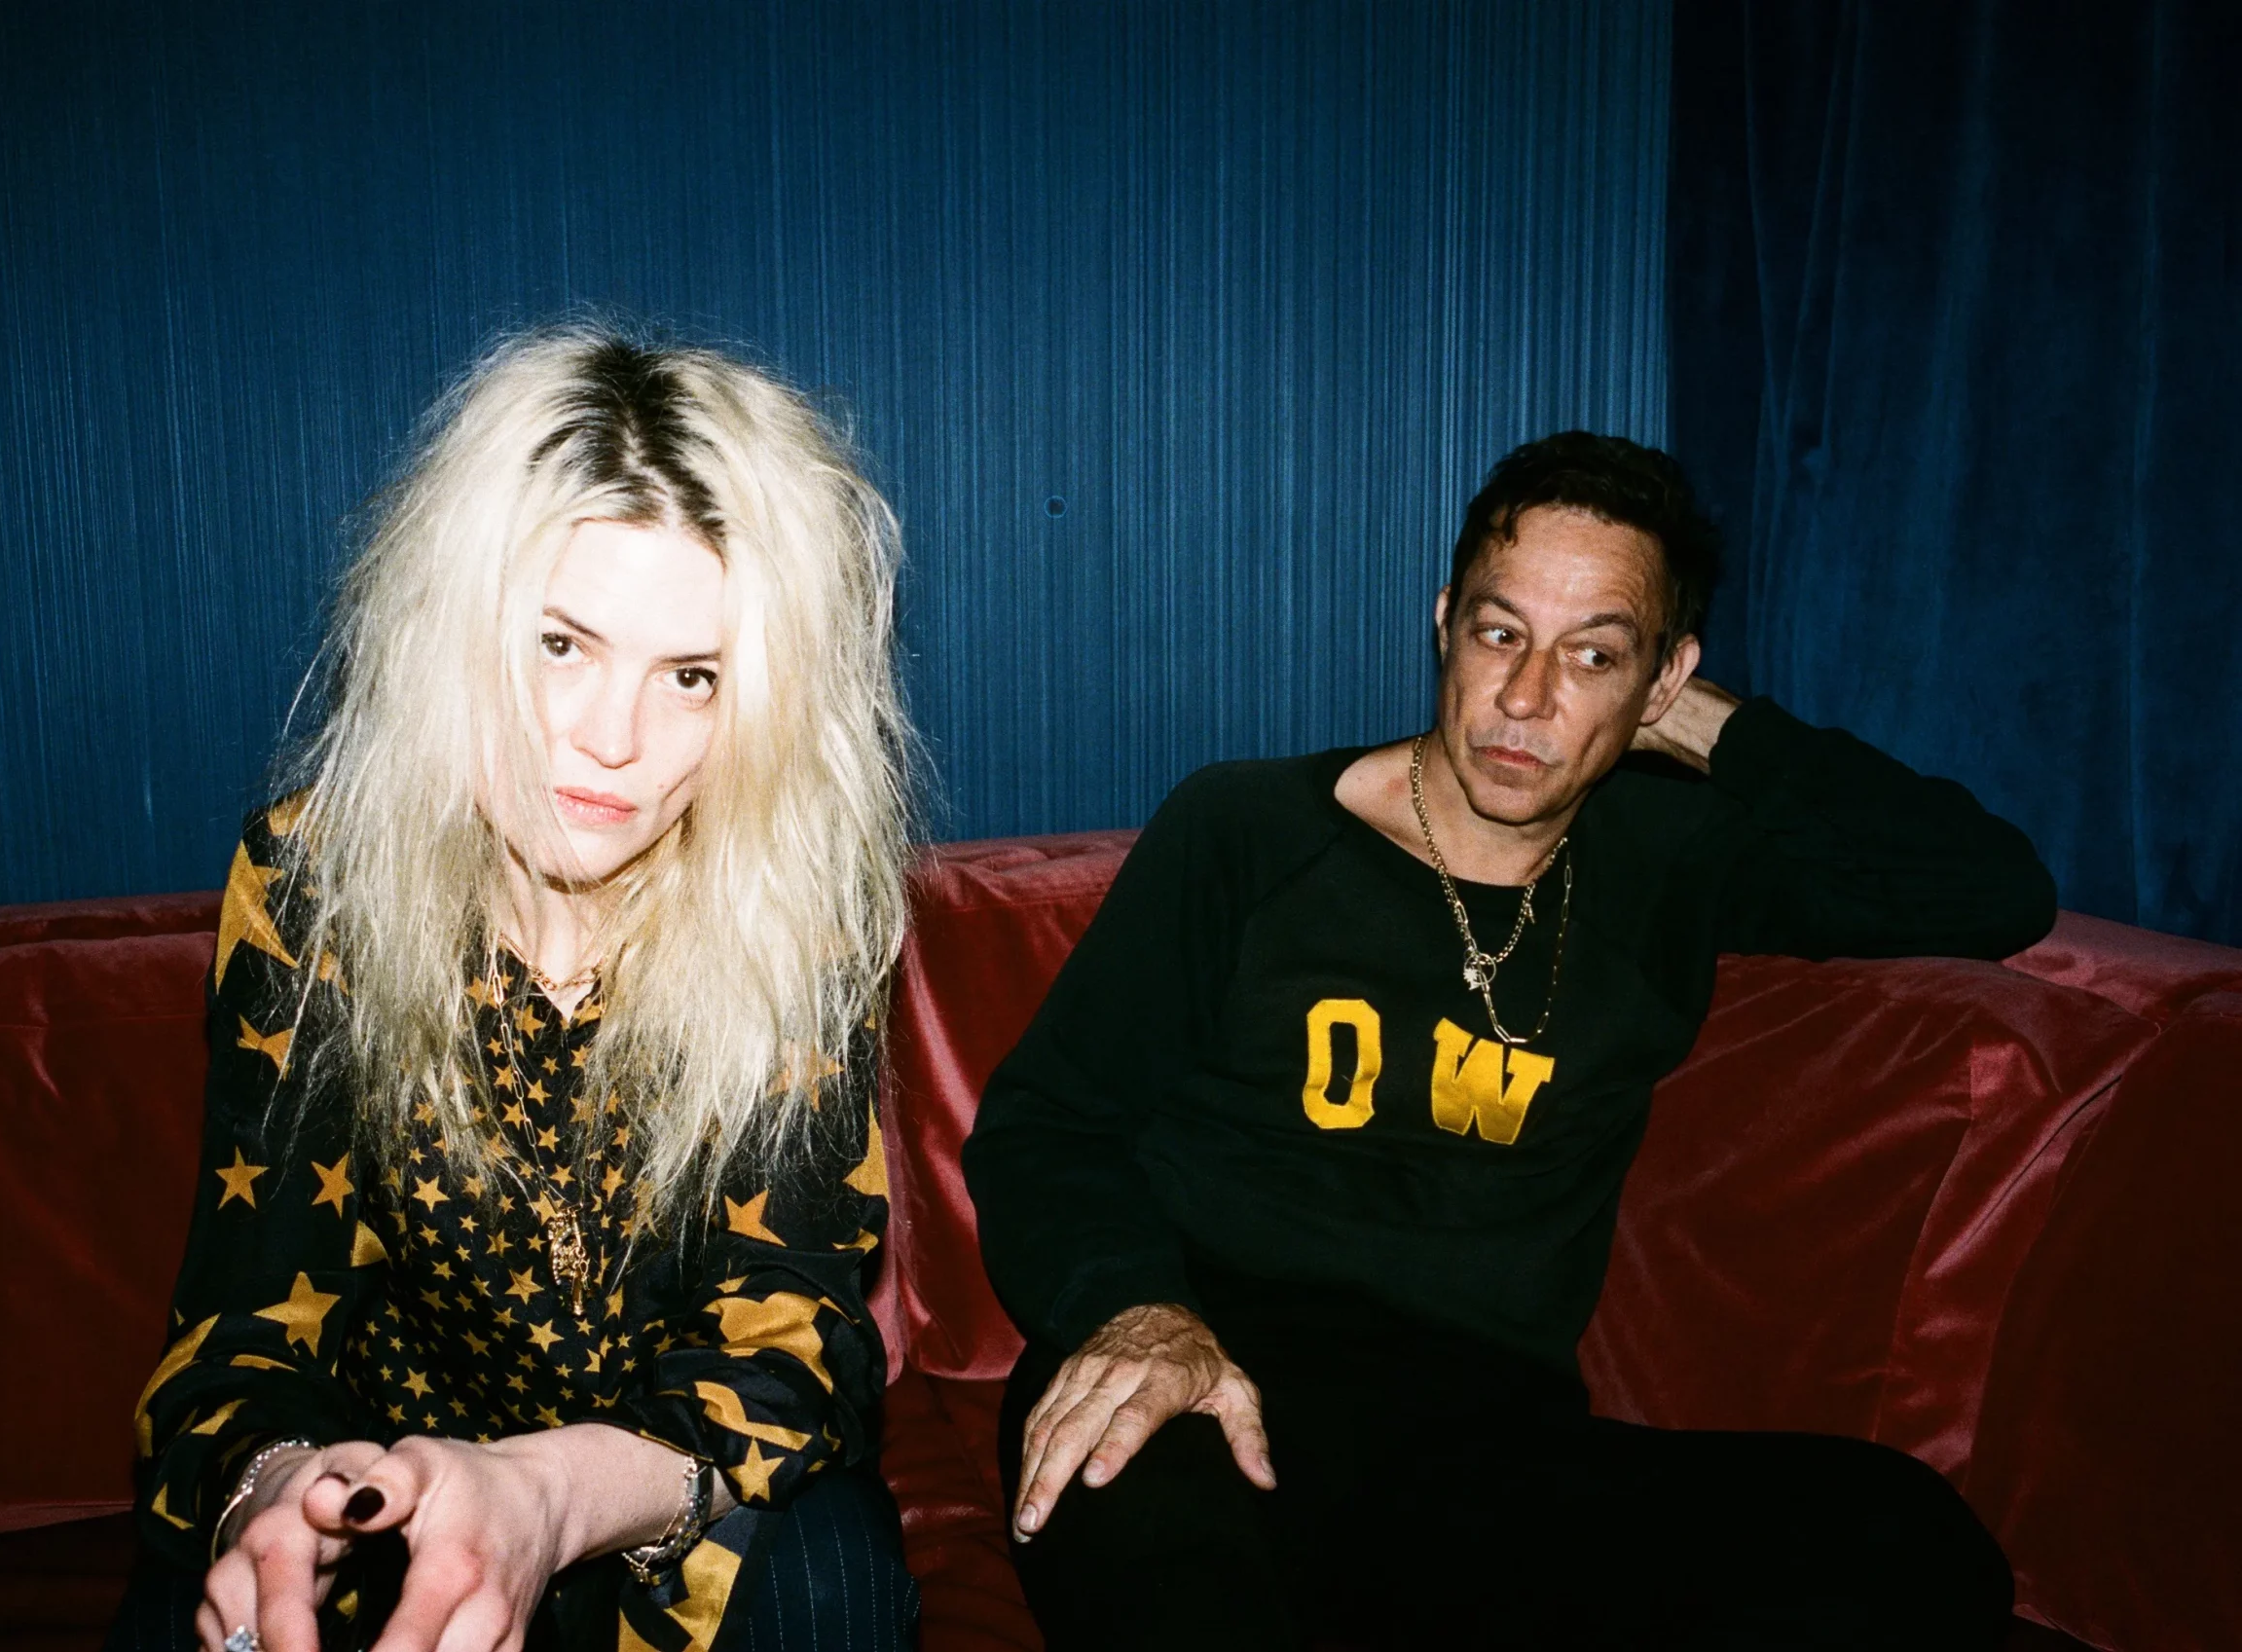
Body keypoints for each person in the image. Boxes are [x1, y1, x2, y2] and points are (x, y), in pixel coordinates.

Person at [962, 431, 2055, 1651]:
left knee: (1901, 1537)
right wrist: (1138, 1313)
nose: (1527, 699)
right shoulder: (1251, 828)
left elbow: (1989, 887)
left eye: (1592, 653)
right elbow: (1046, 1122)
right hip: (1204, 1391)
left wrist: (1698, 723)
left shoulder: (1666, 862)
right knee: (1171, 1559)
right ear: (1444, 623)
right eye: (1499, 633)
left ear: (1663, 681)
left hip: (1483, 1445)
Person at [116, 326, 920, 1652]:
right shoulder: (309, 882)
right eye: (560, 643)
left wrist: (547, 1495)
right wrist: (282, 1492)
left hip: (664, 1491)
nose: (613, 737)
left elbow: (792, 1343)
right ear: (456, 626)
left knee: (830, 1577)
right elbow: (244, 1318)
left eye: (693, 677)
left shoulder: (803, 908)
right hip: (387, 1474)